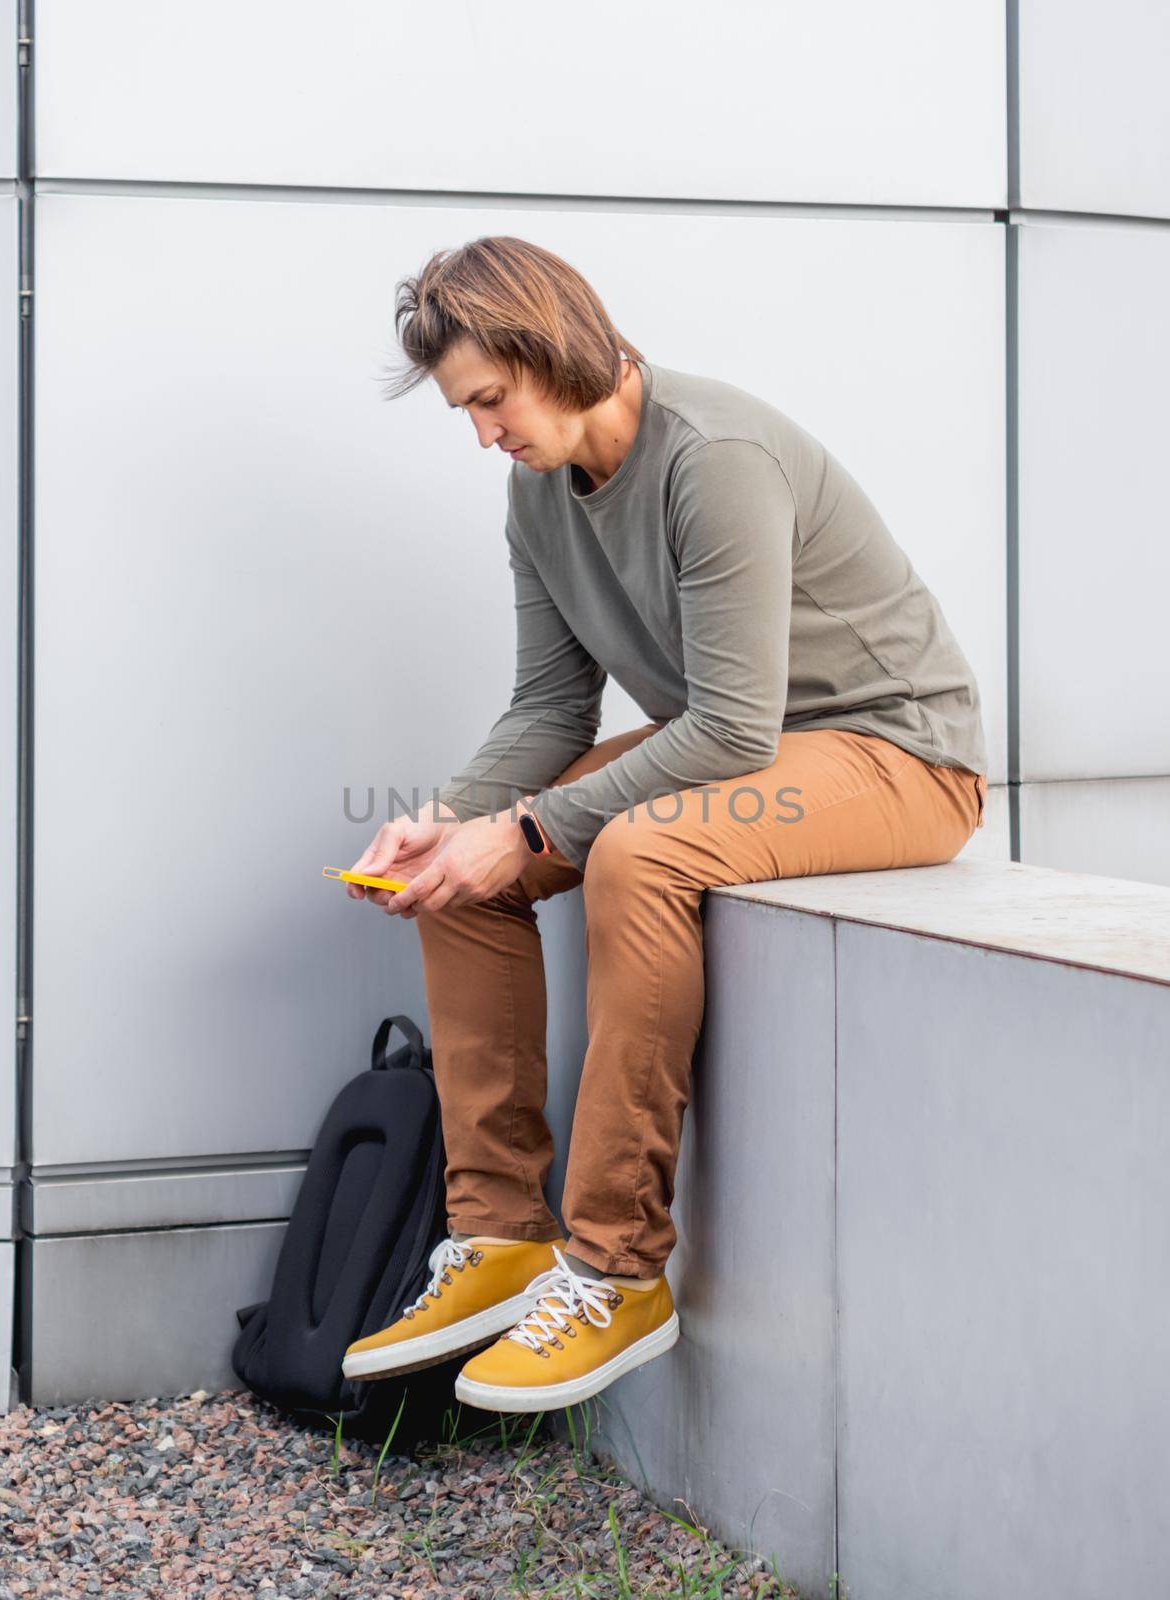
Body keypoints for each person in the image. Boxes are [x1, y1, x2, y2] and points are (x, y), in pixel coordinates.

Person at [340, 236, 988, 1415]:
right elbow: (550, 704)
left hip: (898, 754)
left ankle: (617, 1267)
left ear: (552, 349)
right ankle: (499, 1235)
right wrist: (451, 820)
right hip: (755, 745)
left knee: (636, 845)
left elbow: (735, 731)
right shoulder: (536, 494)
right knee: (460, 871)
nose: (483, 431)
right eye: (464, 412)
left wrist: (531, 831)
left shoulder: (713, 456)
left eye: (491, 399)